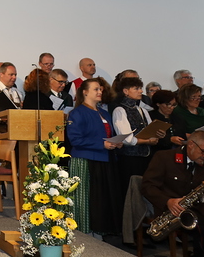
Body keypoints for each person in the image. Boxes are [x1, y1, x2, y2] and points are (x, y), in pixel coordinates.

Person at [67, 78, 123, 236]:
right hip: (86, 160)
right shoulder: (77, 113)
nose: (100, 92)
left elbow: (108, 134)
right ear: (85, 92)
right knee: (86, 198)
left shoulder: (104, 113)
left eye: (100, 89)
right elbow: (75, 140)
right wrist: (102, 144)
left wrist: (116, 142)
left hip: (105, 159)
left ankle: (100, 229)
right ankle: (84, 231)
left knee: (102, 198)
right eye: (96, 89)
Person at [112, 76, 165, 196]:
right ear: (126, 91)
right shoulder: (120, 110)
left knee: (145, 189)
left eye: (140, 88)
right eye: (136, 88)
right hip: (129, 159)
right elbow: (126, 139)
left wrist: (159, 134)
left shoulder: (142, 110)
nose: (140, 91)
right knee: (131, 192)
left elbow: (151, 130)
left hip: (146, 156)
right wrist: (147, 141)